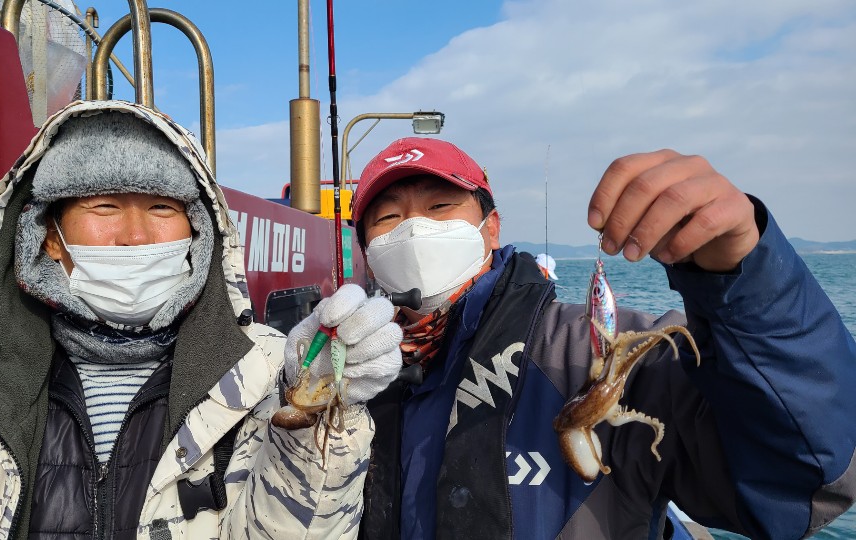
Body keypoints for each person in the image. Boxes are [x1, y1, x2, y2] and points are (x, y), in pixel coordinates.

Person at [0, 101, 401, 539]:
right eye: (105, 206)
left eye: (161, 207)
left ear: (198, 231)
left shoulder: (265, 374)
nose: (135, 235)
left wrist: (313, 414)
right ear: (49, 237)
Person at [349, 137, 856, 539]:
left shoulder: (596, 354)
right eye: (389, 217)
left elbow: (802, 482)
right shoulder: (354, 378)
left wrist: (747, 284)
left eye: (440, 206)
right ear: (365, 250)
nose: (414, 230)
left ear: (491, 228)